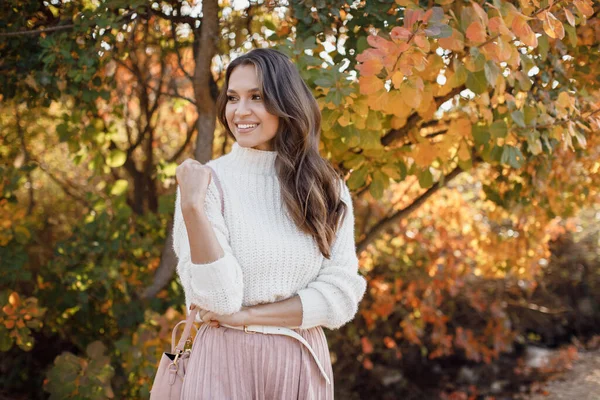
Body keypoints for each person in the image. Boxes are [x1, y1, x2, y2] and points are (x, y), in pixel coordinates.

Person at [172, 48, 367, 399]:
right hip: (223, 362)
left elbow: (341, 296)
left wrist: (248, 317)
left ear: (286, 103)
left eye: (256, 97)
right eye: (233, 98)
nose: (240, 111)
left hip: (299, 361)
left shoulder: (326, 188)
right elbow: (218, 298)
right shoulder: (206, 184)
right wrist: (192, 208)